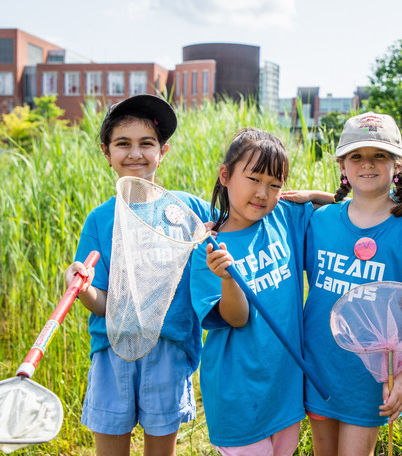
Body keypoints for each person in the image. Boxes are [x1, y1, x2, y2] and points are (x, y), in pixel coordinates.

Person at [65, 94, 212, 456]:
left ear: (163, 151)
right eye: (122, 144)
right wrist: (81, 288)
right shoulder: (100, 219)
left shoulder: (188, 209)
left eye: (147, 143)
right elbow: (101, 303)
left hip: (170, 350)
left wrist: (313, 198)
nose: (135, 153)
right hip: (112, 350)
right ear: (106, 152)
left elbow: (243, 212)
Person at [299, 112, 402, 456]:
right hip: (320, 365)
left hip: (372, 378)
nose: (368, 164)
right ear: (342, 167)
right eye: (356, 156)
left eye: (379, 155)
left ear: (397, 165)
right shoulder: (320, 221)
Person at [189, 128, 330, 456]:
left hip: (285, 387)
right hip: (239, 395)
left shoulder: (283, 216)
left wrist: (306, 194)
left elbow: (350, 205)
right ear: (225, 175)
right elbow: (236, 318)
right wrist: (227, 278)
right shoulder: (207, 248)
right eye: (253, 179)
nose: (263, 193)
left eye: (275, 184)